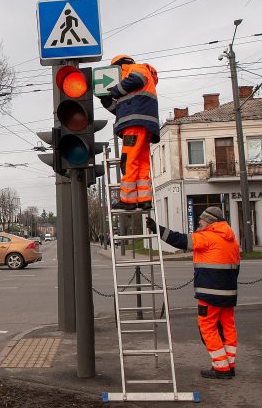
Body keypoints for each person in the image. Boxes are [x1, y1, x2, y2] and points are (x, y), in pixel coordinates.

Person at [147, 206, 239, 380]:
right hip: (229, 293)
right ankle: (229, 365)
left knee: (208, 328)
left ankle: (221, 367)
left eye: (201, 221)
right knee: (227, 328)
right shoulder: (232, 239)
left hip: (209, 293)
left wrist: (157, 229)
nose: (199, 223)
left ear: (210, 222)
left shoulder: (207, 236)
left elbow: (180, 240)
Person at [100, 55, 159, 211]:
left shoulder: (136, 69)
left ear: (119, 66)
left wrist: (114, 91)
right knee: (141, 162)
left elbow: (137, 79)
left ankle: (128, 200)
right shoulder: (132, 84)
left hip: (135, 125)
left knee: (129, 160)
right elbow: (123, 111)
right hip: (142, 124)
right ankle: (144, 199)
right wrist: (108, 102)